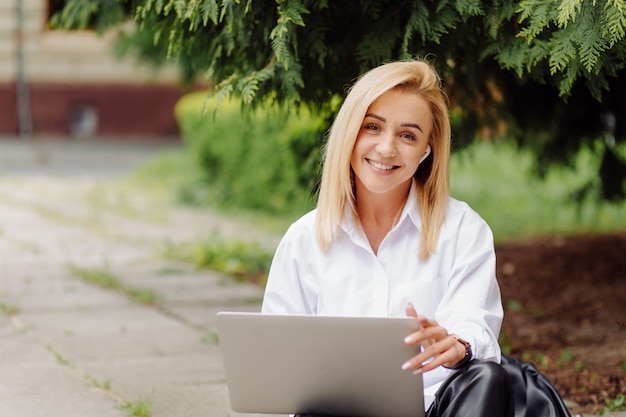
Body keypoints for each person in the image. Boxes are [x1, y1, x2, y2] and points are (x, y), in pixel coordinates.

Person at [261, 59, 514, 416]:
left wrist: (457, 343)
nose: (386, 148)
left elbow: (473, 320)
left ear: (427, 149)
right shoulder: (304, 239)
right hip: (341, 410)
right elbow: (279, 358)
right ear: (350, 132)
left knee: (486, 376)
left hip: (437, 409)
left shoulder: (462, 230)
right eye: (373, 127)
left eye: (408, 135)